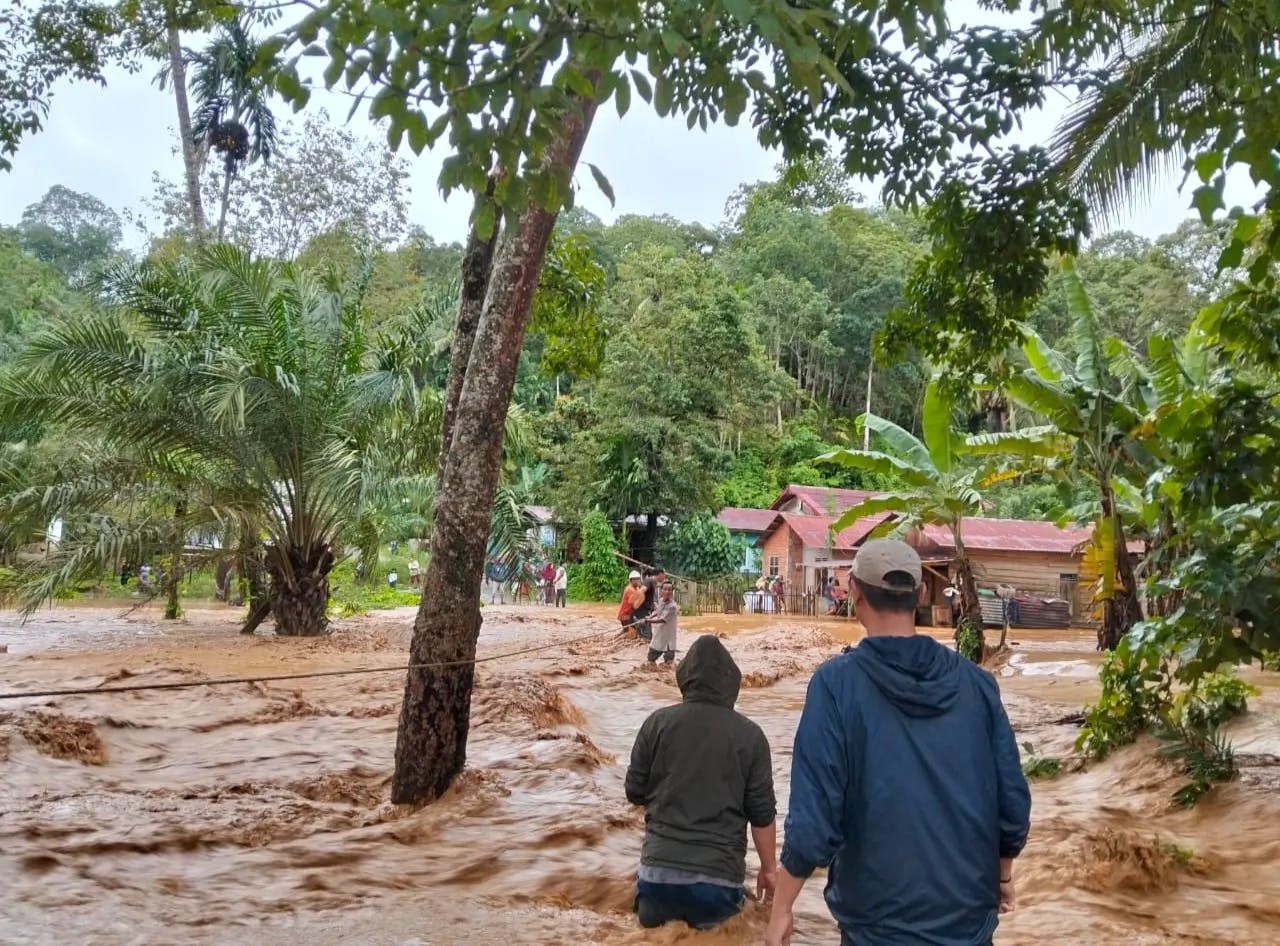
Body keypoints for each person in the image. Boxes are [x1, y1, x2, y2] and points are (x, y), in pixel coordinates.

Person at [764, 539, 1031, 946]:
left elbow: (814, 821)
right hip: (969, 924)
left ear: (854, 593)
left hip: (875, 927)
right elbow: (1012, 803)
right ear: (922, 594)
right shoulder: (977, 685)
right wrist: (1003, 874)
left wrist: (782, 908)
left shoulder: (836, 685)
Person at [626, 635, 777, 931]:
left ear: (684, 679)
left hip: (656, 877)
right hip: (718, 882)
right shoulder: (751, 736)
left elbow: (634, 792)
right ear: (731, 683)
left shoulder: (655, 724)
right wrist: (769, 871)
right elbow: (762, 815)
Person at [643, 581, 679, 665]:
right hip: (659, 636)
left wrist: (648, 621)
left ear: (672, 591)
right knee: (650, 660)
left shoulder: (672, 606)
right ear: (661, 590)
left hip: (669, 639)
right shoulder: (661, 600)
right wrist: (650, 617)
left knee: (669, 663)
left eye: (669, 590)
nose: (667, 592)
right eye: (665, 589)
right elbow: (657, 610)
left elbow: (662, 619)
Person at [619, 570, 646, 635]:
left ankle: (616, 638)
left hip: (629, 615)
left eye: (638, 579)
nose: (638, 580)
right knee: (630, 634)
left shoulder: (636, 588)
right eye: (636, 579)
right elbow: (635, 604)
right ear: (631, 580)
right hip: (626, 615)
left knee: (627, 632)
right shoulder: (629, 589)